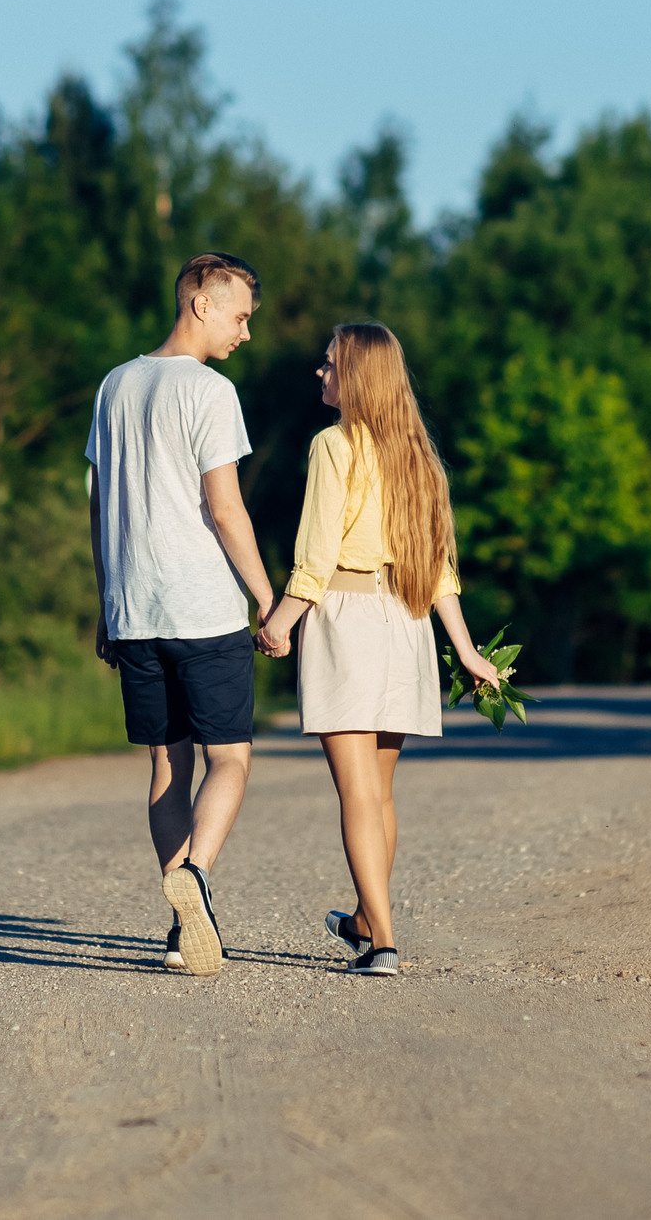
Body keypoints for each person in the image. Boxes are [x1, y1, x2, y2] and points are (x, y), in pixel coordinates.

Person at [255, 323, 505, 978]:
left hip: (348, 617)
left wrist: (281, 620)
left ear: (357, 376)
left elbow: (315, 553)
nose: (320, 372)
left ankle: (383, 943)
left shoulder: (332, 445)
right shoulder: (418, 455)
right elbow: (442, 569)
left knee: (359, 796)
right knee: (382, 795)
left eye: (330, 363)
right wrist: (469, 651)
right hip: (408, 622)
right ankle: (369, 918)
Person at [85, 252, 282, 978]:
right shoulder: (208, 390)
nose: (245, 333)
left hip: (133, 609)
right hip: (202, 607)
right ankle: (194, 874)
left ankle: (181, 930)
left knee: (167, 763)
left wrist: (106, 601)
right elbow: (224, 507)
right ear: (203, 302)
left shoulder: (114, 385)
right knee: (230, 757)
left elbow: (100, 505)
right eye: (241, 316)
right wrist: (267, 596)